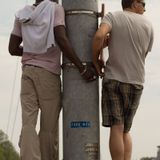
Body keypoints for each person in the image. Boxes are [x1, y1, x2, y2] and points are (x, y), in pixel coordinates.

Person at [8, 0, 96, 160]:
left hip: (27, 72)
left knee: (28, 122)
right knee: (48, 126)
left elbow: (12, 48)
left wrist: (32, 53)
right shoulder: (55, 9)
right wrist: (81, 67)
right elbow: (61, 38)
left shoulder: (22, 14)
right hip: (48, 74)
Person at [92, 0, 154, 160]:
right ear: (134, 3)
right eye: (143, 4)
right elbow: (143, 55)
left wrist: (95, 60)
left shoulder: (113, 17)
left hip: (114, 80)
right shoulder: (148, 25)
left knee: (117, 127)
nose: (145, 8)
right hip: (137, 82)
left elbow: (99, 36)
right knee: (126, 130)